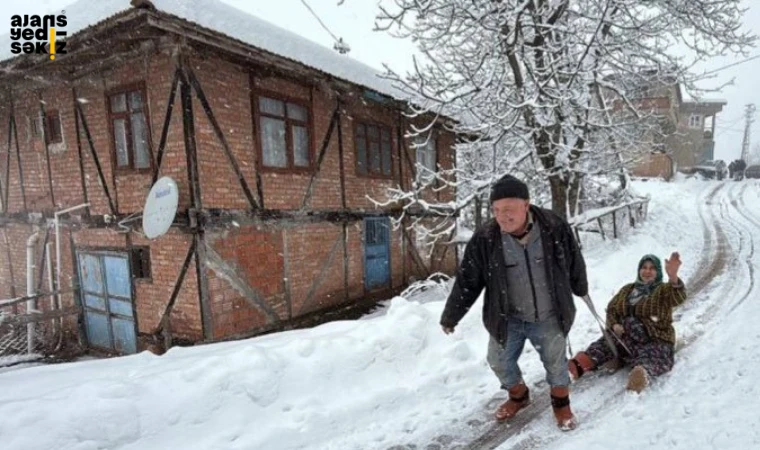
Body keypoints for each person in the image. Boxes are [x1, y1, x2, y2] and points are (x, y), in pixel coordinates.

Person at [440, 174, 588, 431]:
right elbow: (468, 280)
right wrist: (451, 316)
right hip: (508, 317)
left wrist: (580, 287)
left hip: (548, 314)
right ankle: (519, 395)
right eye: (496, 210)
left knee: (555, 361)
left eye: (508, 209)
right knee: (498, 361)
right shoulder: (486, 238)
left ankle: (561, 403)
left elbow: (574, 259)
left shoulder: (553, 227)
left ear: (526, 205)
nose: (502, 216)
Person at [568, 253, 686, 393]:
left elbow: (678, 297)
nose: (647, 271)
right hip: (626, 338)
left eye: (652, 268)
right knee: (604, 344)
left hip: (654, 339)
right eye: (644, 267)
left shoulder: (662, 290)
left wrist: (673, 276)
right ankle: (577, 366)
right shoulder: (628, 289)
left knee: (654, 355)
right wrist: (614, 325)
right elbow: (612, 309)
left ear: (658, 271)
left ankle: (640, 374)